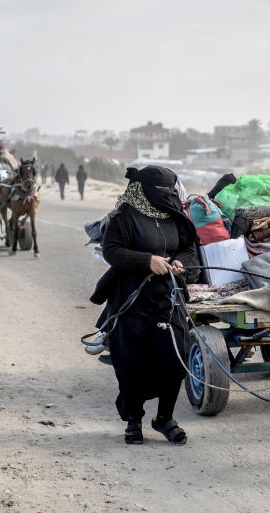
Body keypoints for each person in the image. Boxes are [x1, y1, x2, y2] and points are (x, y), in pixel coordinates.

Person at [90, 165, 198, 446]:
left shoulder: (175, 215)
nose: (168, 196)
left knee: (174, 357)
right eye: (162, 191)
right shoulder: (125, 215)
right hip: (131, 299)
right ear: (145, 190)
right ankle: (133, 421)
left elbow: (188, 248)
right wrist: (147, 260)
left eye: (170, 191)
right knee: (131, 363)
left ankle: (165, 418)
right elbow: (112, 250)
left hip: (167, 298)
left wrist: (179, 262)